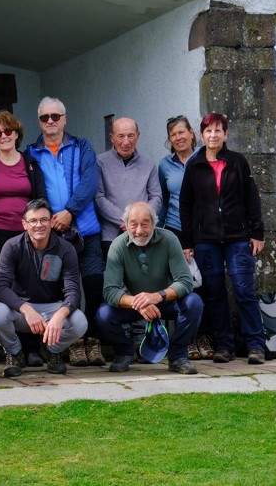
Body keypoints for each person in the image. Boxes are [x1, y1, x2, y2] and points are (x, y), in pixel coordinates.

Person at [179, 112, 266, 365]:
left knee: (243, 291)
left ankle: (255, 346)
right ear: (202, 135)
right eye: (208, 131)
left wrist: (257, 233)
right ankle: (224, 346)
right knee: (214, 293)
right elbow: (186, 205)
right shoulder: (194, 166)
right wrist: (187, 242)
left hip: (238, 238)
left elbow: (252, 198)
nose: (213, 135)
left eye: (218, 131)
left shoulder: (238, 162)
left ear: (226, 134)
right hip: (206, 240)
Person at [26, 97, 104, 368]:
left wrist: (70, 211)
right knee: (56, 290)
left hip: (86, 231)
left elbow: (89, 182)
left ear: (65, 119)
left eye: (55, 116)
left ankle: (92, 339)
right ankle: (68, 344)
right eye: (45, 117)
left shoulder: (82, 146)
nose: (50, 121)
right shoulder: (31, 153)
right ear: (39, 121)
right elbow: (34, 190)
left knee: (93, 286)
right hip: (52, 235)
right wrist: (50, 217)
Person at [96, 202, 203, 374]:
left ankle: (178, 356)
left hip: (165, 300)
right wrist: (139, 302)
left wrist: (157, 296)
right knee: (103, 314)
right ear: (125, 224)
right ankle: (124, 353)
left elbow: (185, 281)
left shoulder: (169, 239)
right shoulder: (117, 246)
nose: (139, 230)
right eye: (134, 224)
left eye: (145, 224)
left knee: (194, 303)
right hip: (133, 305)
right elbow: (110, 290)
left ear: (154, 224)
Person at [0, 110, 46, 366]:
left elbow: (40, 199)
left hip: (27, 234)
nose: (3, 136)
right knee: (6, 287)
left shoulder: (30, 164)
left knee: (30, 286)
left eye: (8, 131)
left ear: (16, 134)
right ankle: (12, 348)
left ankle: (32, 348)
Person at [0, 198, 88, 377]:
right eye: (33, 221)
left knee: (80, 322)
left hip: (53, 307)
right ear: (24, 224)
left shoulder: (66, 249)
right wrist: (26, 309)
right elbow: (0, 287)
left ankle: (52, 350)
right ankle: (14, 354)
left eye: (44, 220)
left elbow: (73, 291)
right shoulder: (11, 247)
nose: (39, 225)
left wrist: (60, 315)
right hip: (22, 309)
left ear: (52, 222)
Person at [158, 114, 211, 360]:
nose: (178, 138)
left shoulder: (205, 158)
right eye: (173, 135)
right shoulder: (165, 165)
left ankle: (204, 337)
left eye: (182, 132)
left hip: (205, 231)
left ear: (192, 133)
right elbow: (164, 201)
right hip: (176, 232)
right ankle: (186, 339)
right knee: (184, 286)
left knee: (208, 285)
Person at [95, 117, 162, 257]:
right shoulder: (100, 162)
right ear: (112, 138)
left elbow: (156, 196)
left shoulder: (148, 163)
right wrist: (127, 220)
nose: (126, 141)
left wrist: (138, 221)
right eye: (120, 136)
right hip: (111, 235)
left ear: (138, 136)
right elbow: (98, 197)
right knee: (115, 277)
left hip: (143, 233)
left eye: (131, 136)